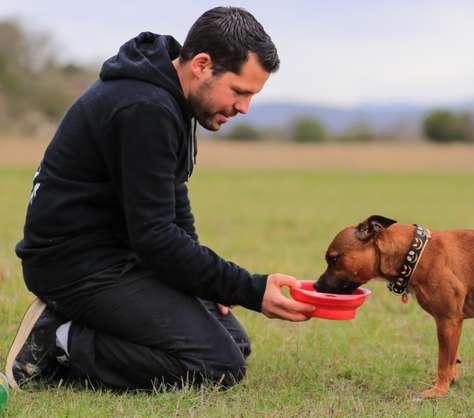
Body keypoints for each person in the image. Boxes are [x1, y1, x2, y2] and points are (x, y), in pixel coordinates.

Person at [4, 6, 315, 390]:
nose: (243, 108)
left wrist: (205, 285)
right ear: (202, 64)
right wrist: (248, 288)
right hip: (76, 267)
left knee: (234, 342)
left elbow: (173, 209)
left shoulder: (170, 97)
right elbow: (155, 238)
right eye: (239, 91)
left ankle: (76, 331)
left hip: (118, 256)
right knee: (217, 365)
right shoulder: (145, 108)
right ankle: (60, 339)